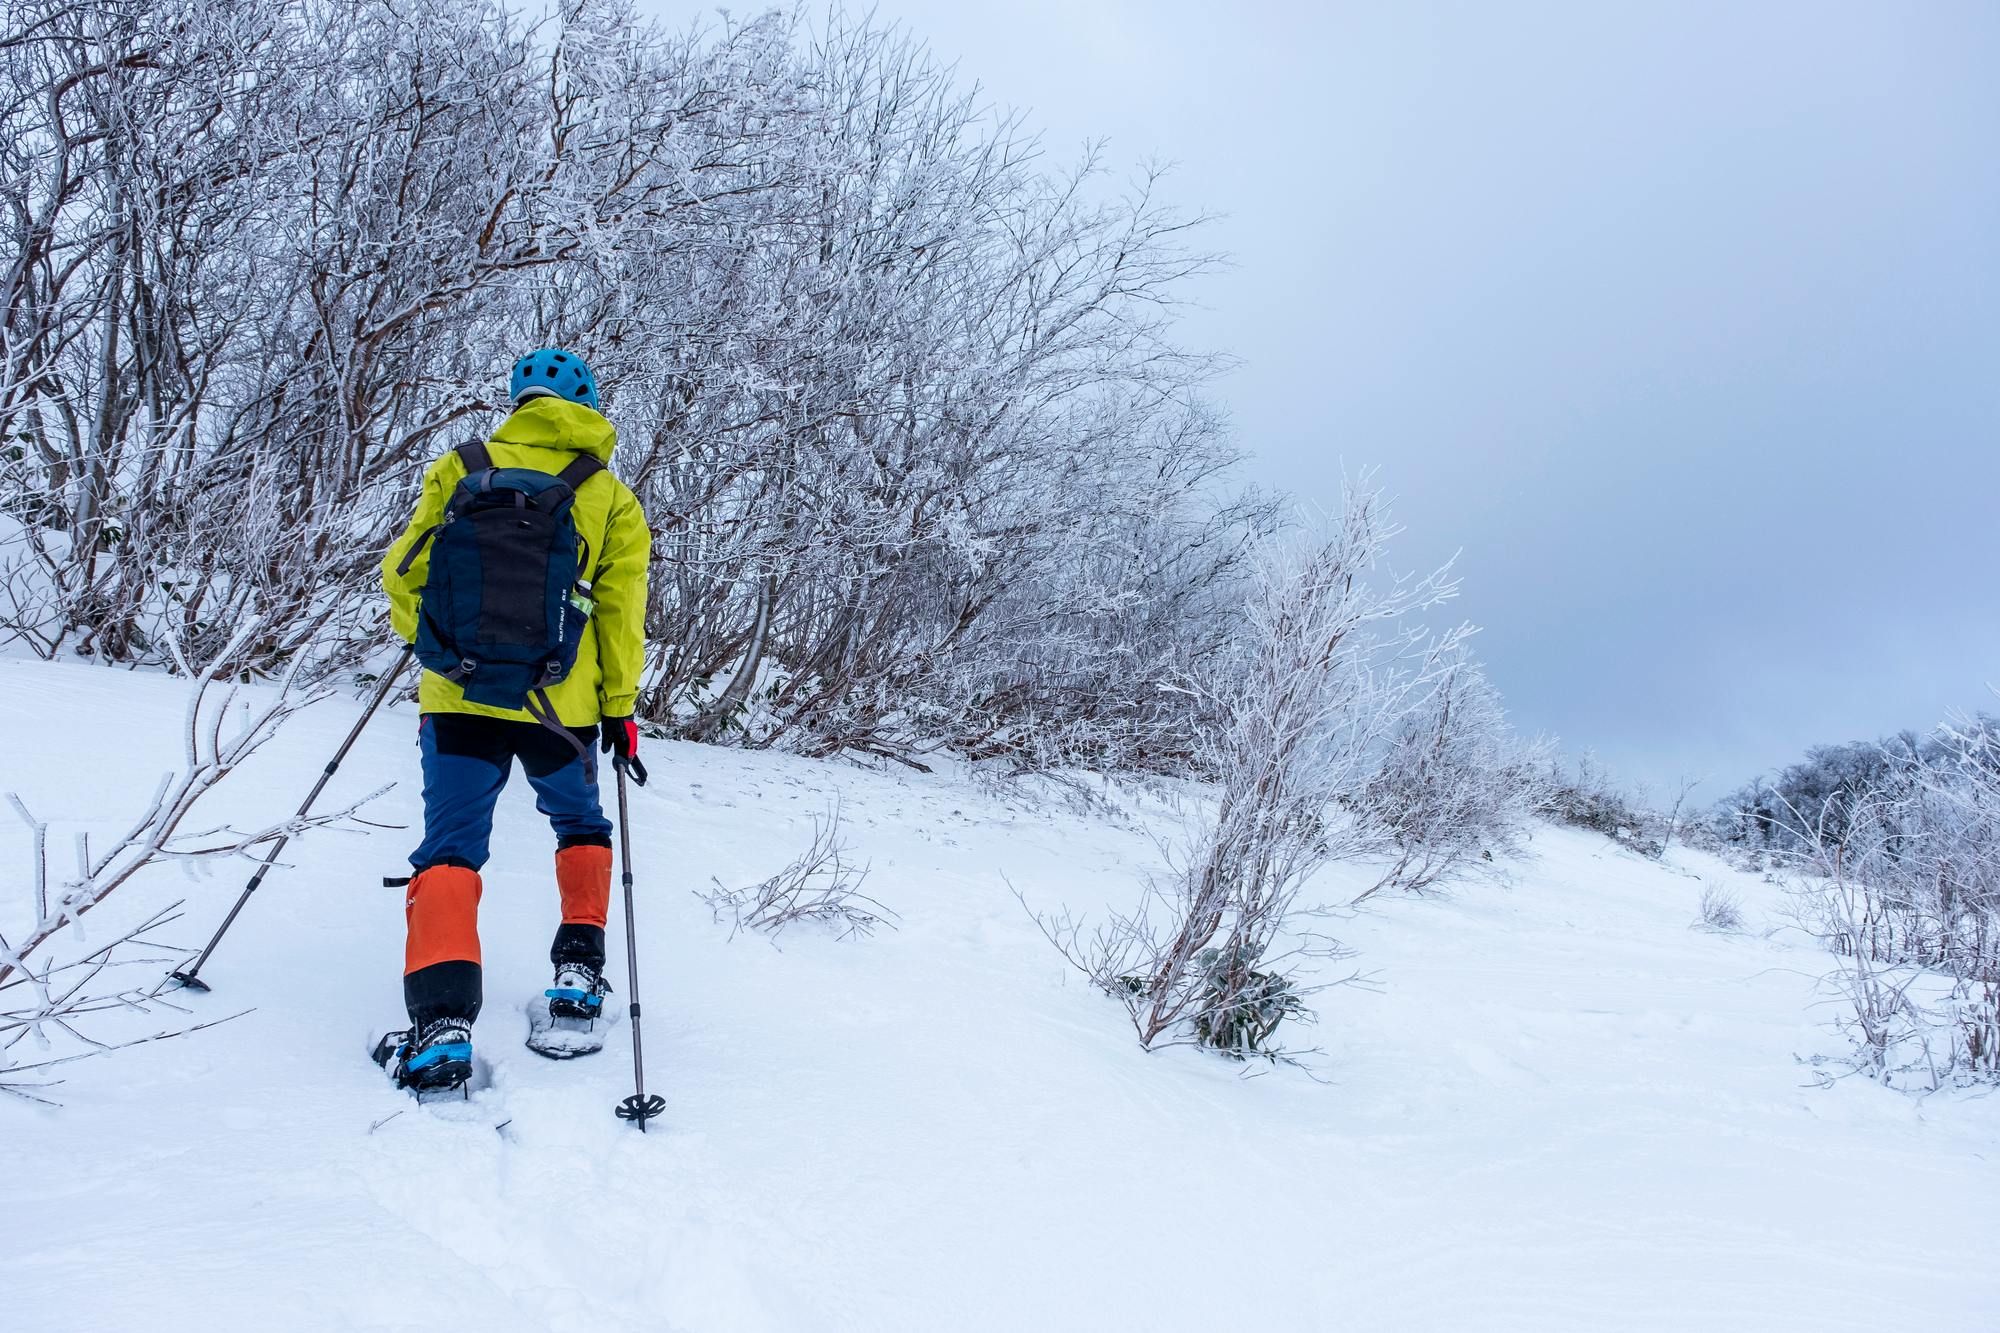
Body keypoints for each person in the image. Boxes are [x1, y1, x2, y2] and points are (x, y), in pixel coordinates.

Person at [376, 349, 650, 1090]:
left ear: (516, 401)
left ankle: (440, 1028)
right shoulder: (608, 494)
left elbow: (404, 570)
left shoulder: (460, 466)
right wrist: (619, 708)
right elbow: (622, 615)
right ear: (589, 406)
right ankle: (578, 978)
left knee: (450, 849)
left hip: (458, 697)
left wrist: (432, 646)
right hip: (562, 707)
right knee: (581, 824)